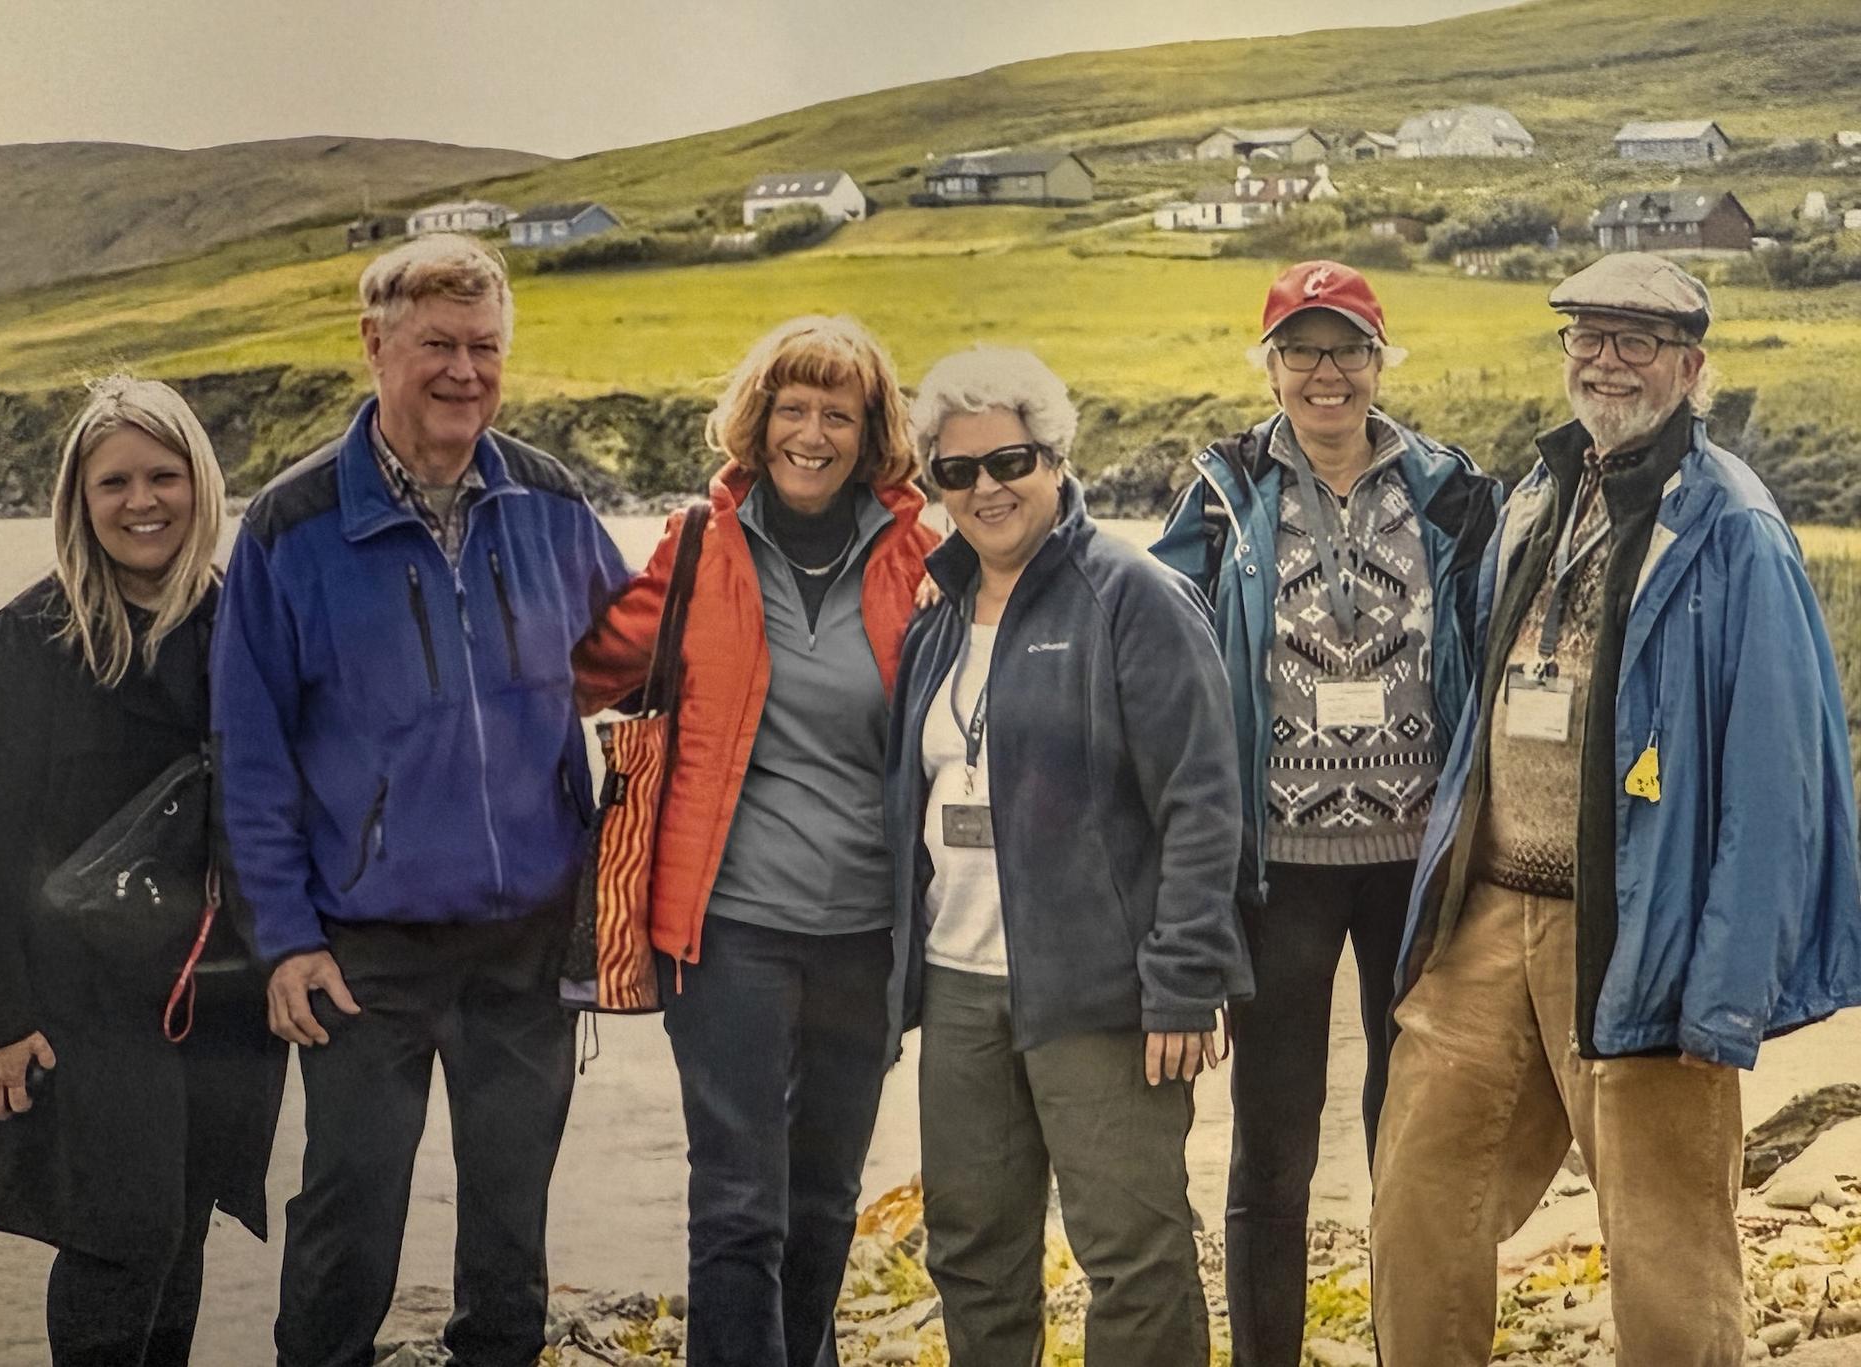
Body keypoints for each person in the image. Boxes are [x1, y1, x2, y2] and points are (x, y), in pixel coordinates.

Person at [1369, 252, 1861, 1365]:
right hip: (1492, 913)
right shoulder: (1540, 497)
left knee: (1667, 1240)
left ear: (1690, 365)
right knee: (1420, 1192)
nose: (1606, 360)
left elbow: (1779, 780)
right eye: (1586, 336)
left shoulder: (1737, 528)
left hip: (1644, 928)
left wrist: (1724, 991)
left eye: (1636, 340)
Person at [211, 234, 630, 1367]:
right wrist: (284, 940)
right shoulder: (291, 527)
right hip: (363, 948)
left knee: (510, 1220)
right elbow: (248, 758)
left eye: (484, 347)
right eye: (437, 344)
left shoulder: (551, 501)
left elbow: (647, 659)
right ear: (375, 344)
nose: (463, 371)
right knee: (349, 1214)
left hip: (529, 938)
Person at [1151, 259, 1500, 1366]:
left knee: (1413, 1138)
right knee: (1272, 1149)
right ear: (1271, 367)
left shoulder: (1450, 491)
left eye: (1348, 347)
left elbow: (1505, 627)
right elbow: (1148, 630)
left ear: (1380, 359)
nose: (1326, 371)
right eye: (1301, 349)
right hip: (1279, 869)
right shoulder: (1222, 494)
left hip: (1418, 869)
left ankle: (1414, 1346)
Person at [571, 314, 937, 1367]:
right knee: (739, 1202)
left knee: (822, 1200)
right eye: (793, 409)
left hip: (869, 932)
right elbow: (578, 666)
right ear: (758, 420)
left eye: (839, 414)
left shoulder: (922, 557)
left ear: (871, 433)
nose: (812, 434)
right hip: (726, 927)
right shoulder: (699, 547)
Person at [886, 345, 1252, 1365]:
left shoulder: (1135, 595)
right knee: (972, 1250)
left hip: (1103, 990)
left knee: (1132, 1255)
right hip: (959, 985)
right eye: (957, 471)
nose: (986, 488)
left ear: (1055, 458)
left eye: (1010, 461)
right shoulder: (936, 613)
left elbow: (1203, 801)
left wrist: (1184, 982)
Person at [0, 376, 285, 1366]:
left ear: (201, 483)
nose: (143, 501)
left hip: (217, 988)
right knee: (117, 1232)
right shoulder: (30, 639)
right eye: (115, 482)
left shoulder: (247, 626)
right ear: (78, 499)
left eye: (164, 476)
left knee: (181, 1226)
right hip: (74, 998)